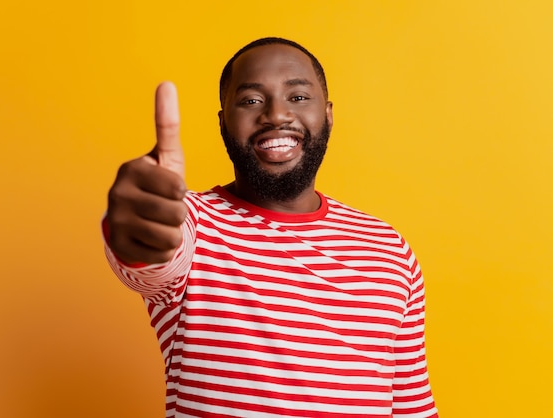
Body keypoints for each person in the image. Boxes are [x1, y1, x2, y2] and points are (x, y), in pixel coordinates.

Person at [103, 37, 438, 418]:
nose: (276, 115)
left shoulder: (389, 249)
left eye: (297, 97)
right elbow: (154, 255)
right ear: (223, 122)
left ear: (327, 114)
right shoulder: (192, 223)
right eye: (251, 101)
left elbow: (413, 408)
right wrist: (140, 231)